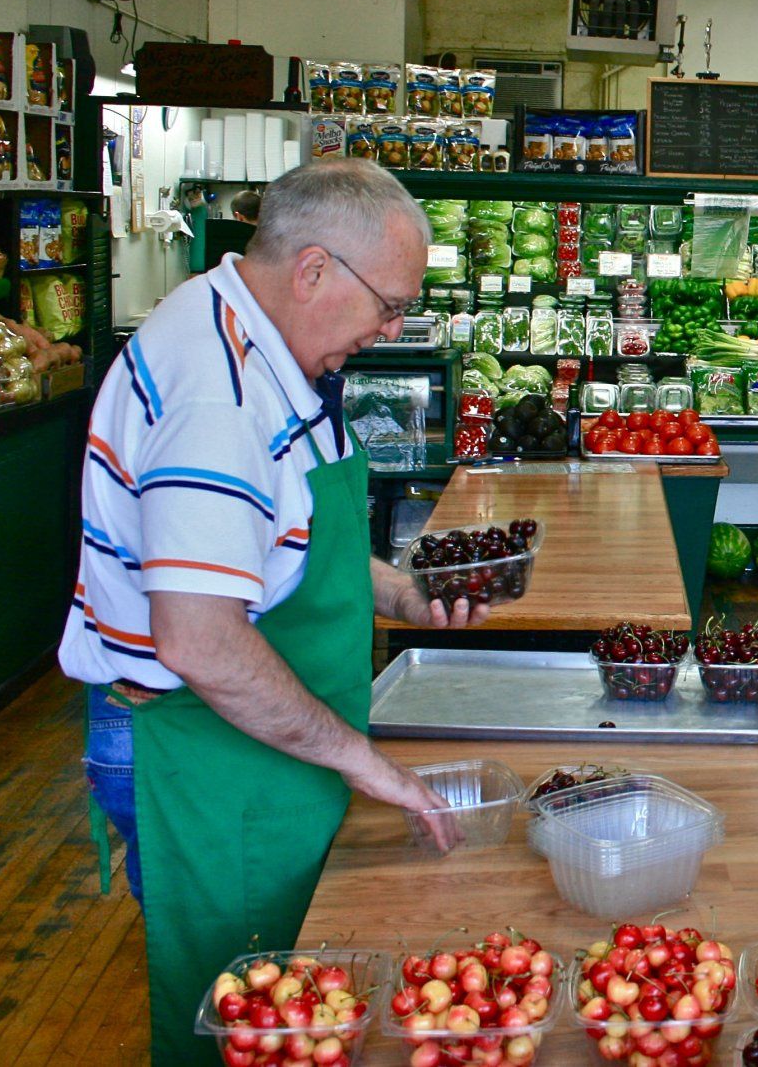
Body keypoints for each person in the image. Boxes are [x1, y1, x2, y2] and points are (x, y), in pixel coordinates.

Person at [58, 158, 483, 1064]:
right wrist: (361, 758)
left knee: (297, 1003)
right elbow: (202, 639)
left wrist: (398, 588)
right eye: (389, 303)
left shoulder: (268, 346)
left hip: (267, 749)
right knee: (248, 1016)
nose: (391, 329)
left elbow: (278, 527)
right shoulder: (217, 392)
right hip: (206, 756)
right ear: (315, 270)